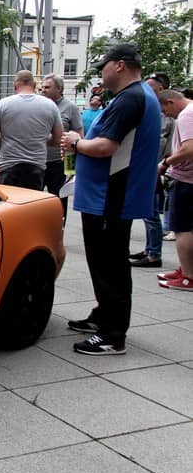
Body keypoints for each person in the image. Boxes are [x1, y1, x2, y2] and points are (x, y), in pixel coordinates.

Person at [60, 43, 161, 355]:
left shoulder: (131, 98)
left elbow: (106, 146)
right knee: (107, 262)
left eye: (102, 66)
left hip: (111, 196)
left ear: (119, 65)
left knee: (109, 264)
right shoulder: (136, 95)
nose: (100, 73)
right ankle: (105, 315)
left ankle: (112, 334)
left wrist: (76, 142)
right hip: (110, 195)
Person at [0, 70, 62, 190]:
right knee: (31, 202)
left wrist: (5, 137)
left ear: (15, 85)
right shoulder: (51, 106)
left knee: (10, 201)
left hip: (8, 166)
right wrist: (41, 139)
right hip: (36, 167)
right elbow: (58, 139)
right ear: (34, 85)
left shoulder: (3, 104)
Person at [130, 73, 174, 268]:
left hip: (154, 168)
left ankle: (154, 253)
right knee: (149, 211)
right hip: (149, 167)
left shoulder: (164, 114)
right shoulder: (154, 109)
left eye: (150, 87)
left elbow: (161, 143)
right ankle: (150, 249)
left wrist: (159, 166)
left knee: (151, 212)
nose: (146, 90)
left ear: (161, 89)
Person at [155, 89, 193, 291]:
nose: (166, 115)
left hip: (185, 179)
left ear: (171, 102)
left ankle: (188, 276)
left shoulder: (186, 115)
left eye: (165, 110)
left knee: (182, 228)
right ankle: (186, 268)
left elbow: (189, 148)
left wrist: (165, 163)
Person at [40, 73, 83, 220]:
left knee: (58, 198)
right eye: (42, 87)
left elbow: (78, 134)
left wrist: (71, 167)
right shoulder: (39, 106)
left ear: (59, 88)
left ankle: (59, 227)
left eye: (47, 87)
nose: (43, 90)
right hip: (38, 161)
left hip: (59, 162)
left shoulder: (70, 107)